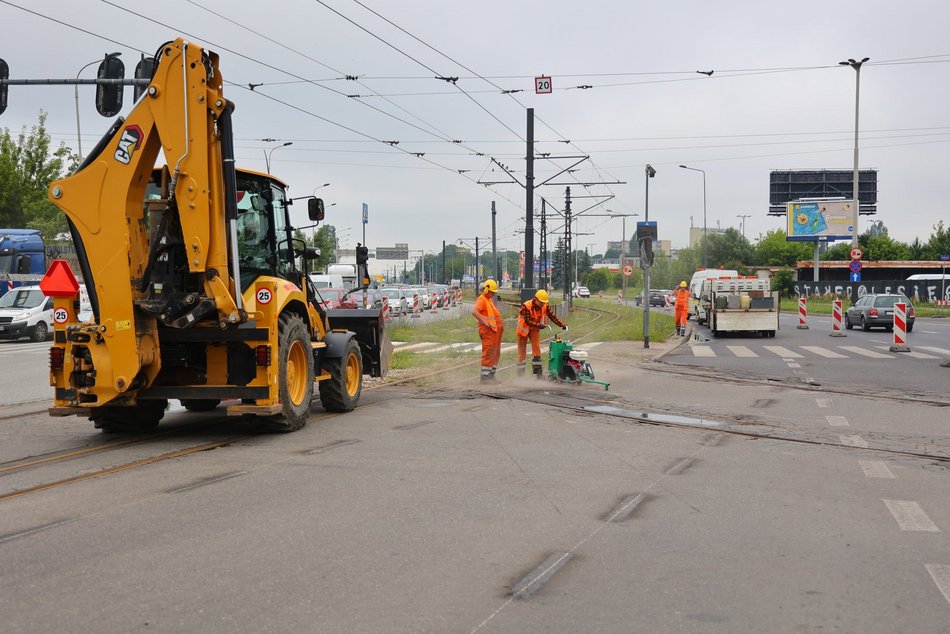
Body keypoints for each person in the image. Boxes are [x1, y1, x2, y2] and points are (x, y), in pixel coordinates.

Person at [516, 289, 567, 378]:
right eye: (541, 302)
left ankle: (538, 374)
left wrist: (561, 324)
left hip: (534, 329)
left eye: (544, 302)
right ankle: (520, 375)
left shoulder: (545, 306)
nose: (543, 304)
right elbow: (528, 321)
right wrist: (538, 325)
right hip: (523, 330)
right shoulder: (526, 306)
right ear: (535, 300)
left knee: (536, 350)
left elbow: (552, 316)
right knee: (522, 353)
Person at [471, 279, 503, 383]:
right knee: (488, 353)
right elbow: (474, 311)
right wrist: (484, 321)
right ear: (486, 289)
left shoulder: (488, 299)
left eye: (494, 292)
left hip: (495, 332)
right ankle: (485, 378)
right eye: (491, 292)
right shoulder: (482, 299)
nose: (493, 294)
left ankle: (491, 376)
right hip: (488, 332)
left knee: (495, 354)